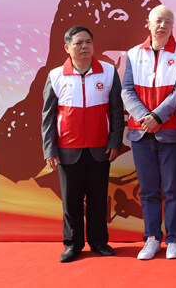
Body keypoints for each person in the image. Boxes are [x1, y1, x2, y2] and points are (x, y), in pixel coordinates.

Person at [41, 26, 124, 263]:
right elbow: (48, 116)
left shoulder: (108, 72)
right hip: (68, 149)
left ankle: (99, 242)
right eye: (78, 43)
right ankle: (73, 244)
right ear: (67, 48)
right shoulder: (56, 75)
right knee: (71, 201)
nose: (84, 46)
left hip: (100, 148)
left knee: (98, 198)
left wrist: (115, 141)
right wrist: (50, 149)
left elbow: (117, 111)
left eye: (88, 42)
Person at [121, 5, 176, 260]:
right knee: (148, 190)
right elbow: (127, 90)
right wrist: (144, 118)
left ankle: (174, 239)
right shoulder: (133, 54)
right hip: (140, 133)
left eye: (167, 22)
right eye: (158, 21)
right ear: (148, 23)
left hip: (170, 132)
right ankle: (152, 238)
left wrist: (158, 117)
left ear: (173, 26)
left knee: (172, 190)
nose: (162, 26)